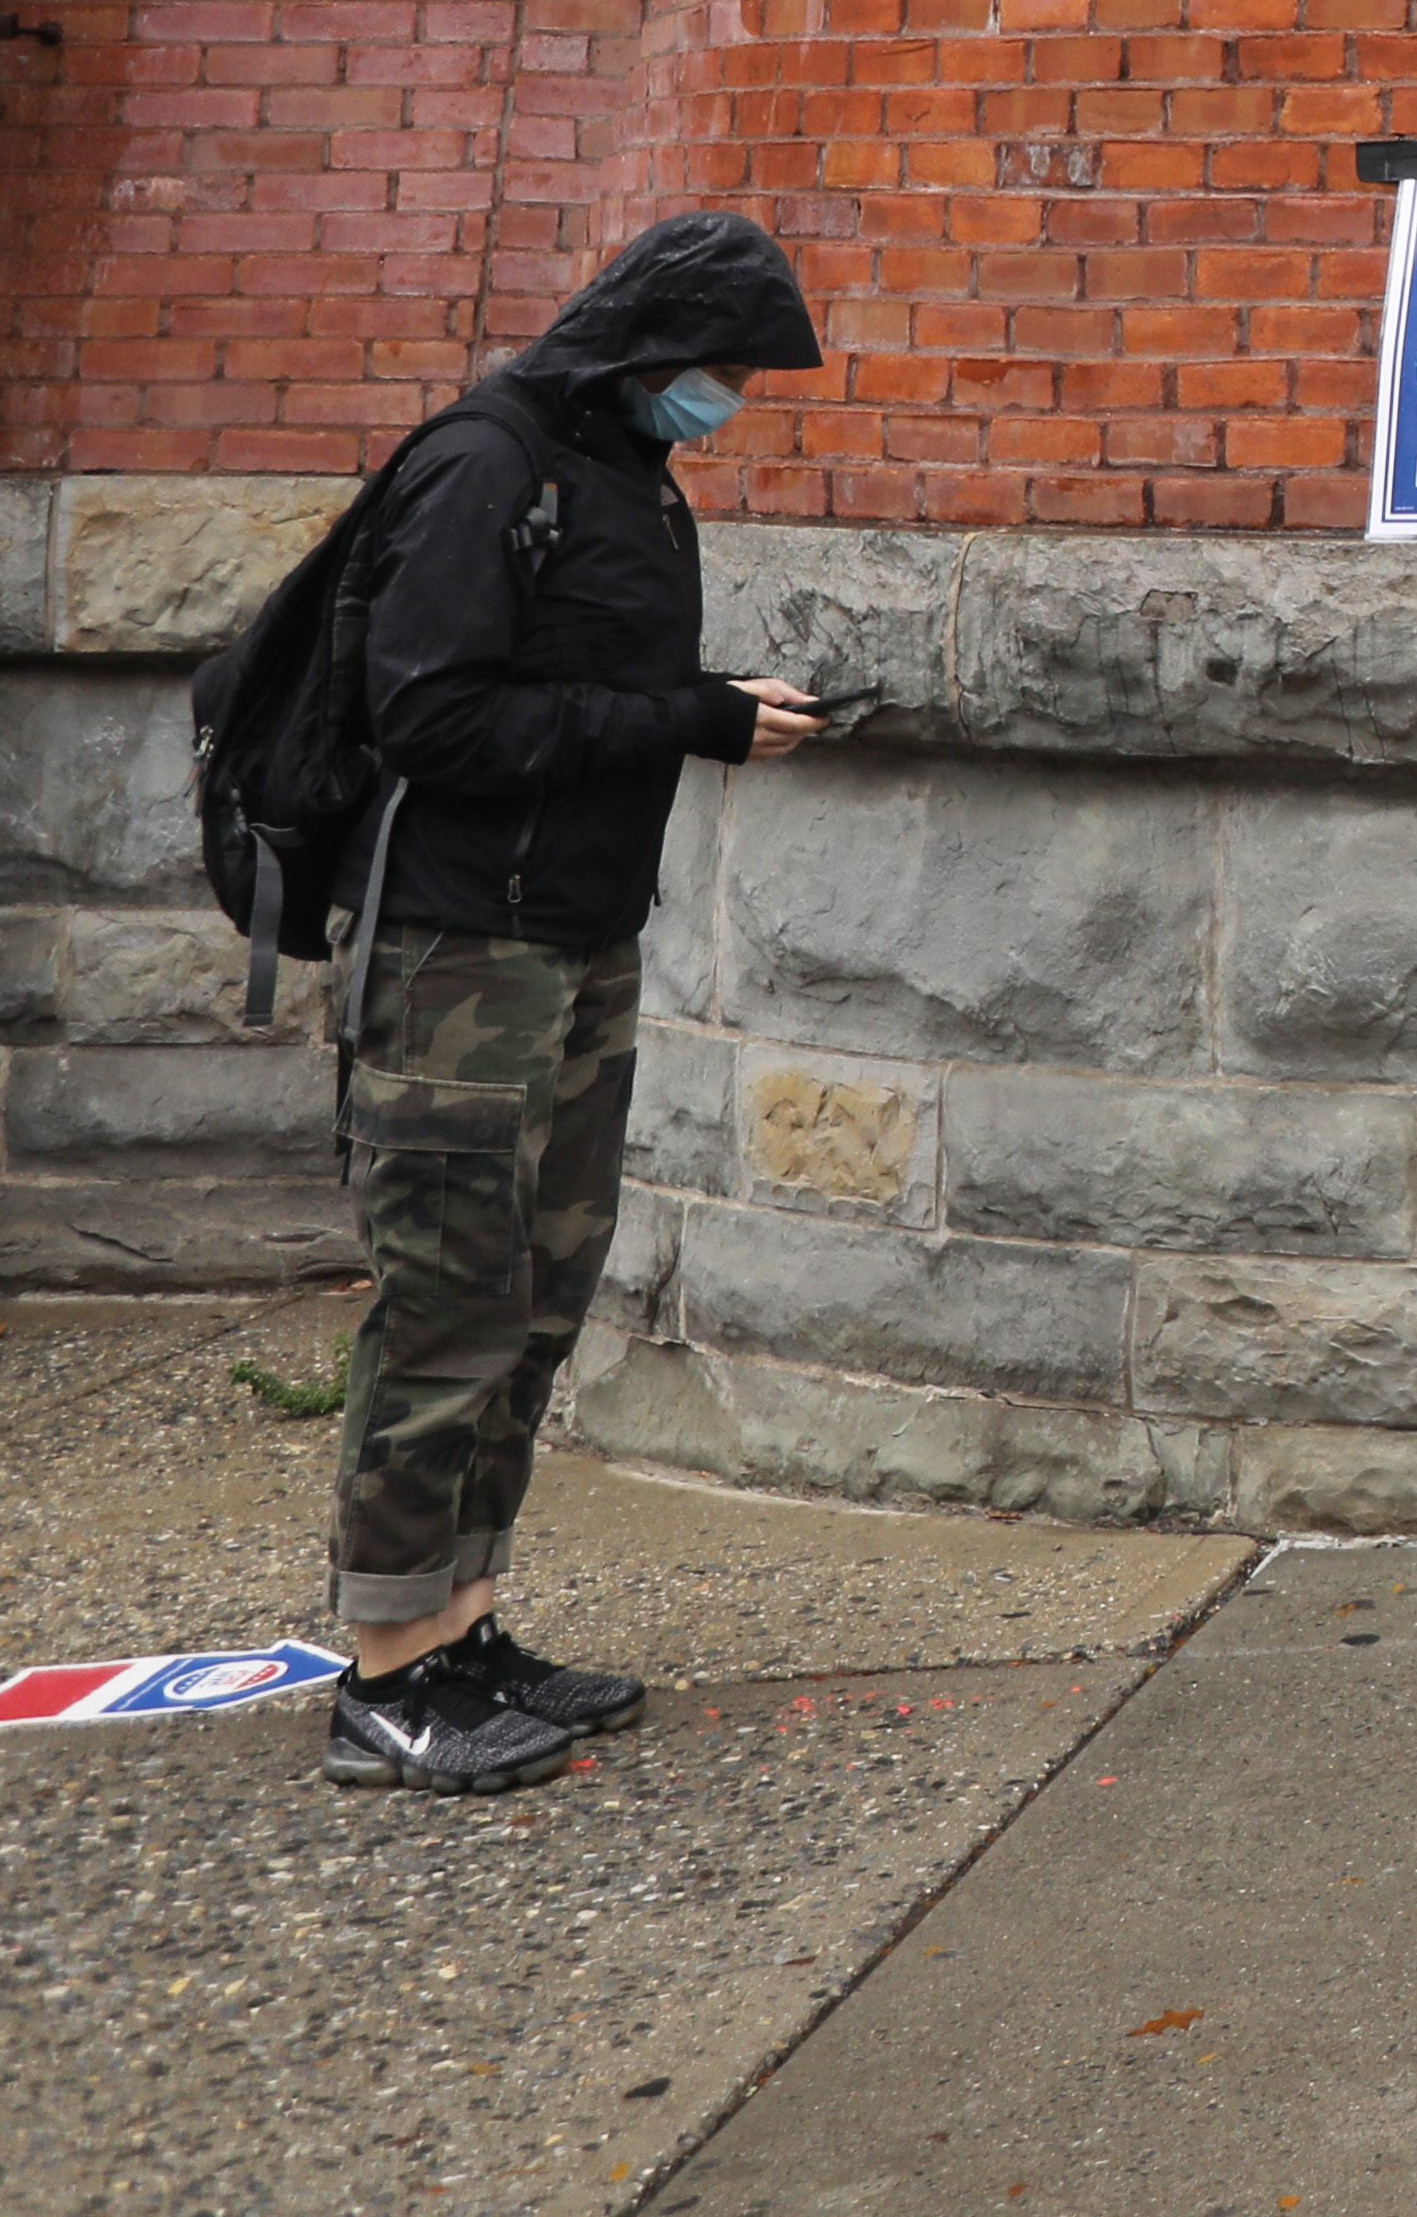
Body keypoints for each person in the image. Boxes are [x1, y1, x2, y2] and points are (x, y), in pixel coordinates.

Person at [321, 215, 833, 1794]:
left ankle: (467, 1624)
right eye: (722, 369)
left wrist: (699, 709)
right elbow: (430, 713)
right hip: (460, 954)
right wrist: (685, 719)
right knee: (450, 1304)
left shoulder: (614, 466)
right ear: (648, 346)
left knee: (538, 1299)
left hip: (573, 941)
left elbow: (575, 686)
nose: (728, 398)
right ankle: (386, 1670)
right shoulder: (492, 466)